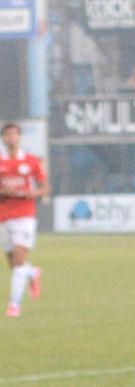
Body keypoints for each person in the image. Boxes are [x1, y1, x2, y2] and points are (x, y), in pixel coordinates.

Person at [1, 123, 49, 318]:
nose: (11, 138)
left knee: (19, 260)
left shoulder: (31, 161)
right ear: (3, 138)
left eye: (15, 134)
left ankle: (14, 305)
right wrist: (5, 192)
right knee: (13, 264)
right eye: (7, 135)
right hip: (3, 216)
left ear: (20, 137)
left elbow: (45, 188)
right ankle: (33, 273)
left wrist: (30, 193)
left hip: (25, 216)